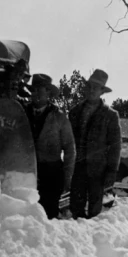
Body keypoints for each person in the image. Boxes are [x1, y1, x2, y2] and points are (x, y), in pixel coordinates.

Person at [68, 69, 121, 219]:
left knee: (95, 210)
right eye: (90, 86)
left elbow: (115, 146)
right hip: (77, 167)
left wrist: (112, 170)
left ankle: (92, 239)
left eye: (96, 88)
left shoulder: (110, 115)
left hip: (98, 169)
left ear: (102, 91)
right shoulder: (74, 112)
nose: (92, 90)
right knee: (75, 207)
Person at [25, 74, 75, 219]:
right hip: (27, 173)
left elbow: (70, 149)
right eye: (33, 90)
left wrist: (67, 178)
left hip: (51, 175)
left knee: (48, 217)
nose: (36, 94)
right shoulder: (22, 112)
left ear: (48, 93)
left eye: (40, 90)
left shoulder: (59, 117)